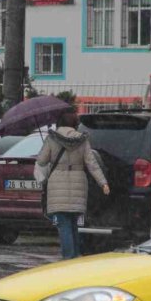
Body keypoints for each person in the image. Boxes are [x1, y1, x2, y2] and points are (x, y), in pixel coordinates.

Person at [36, 108, 109, 259]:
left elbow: (42, 161)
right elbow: (92, 164)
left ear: (59, 122)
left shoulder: (51, 139)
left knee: (63, 224)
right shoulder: (82, 140)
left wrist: (48, 149)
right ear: (75, 123)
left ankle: (68, 257)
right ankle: (75, 255)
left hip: (58, 185)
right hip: (78, 183)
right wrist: (103, 183)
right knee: (74, 223)